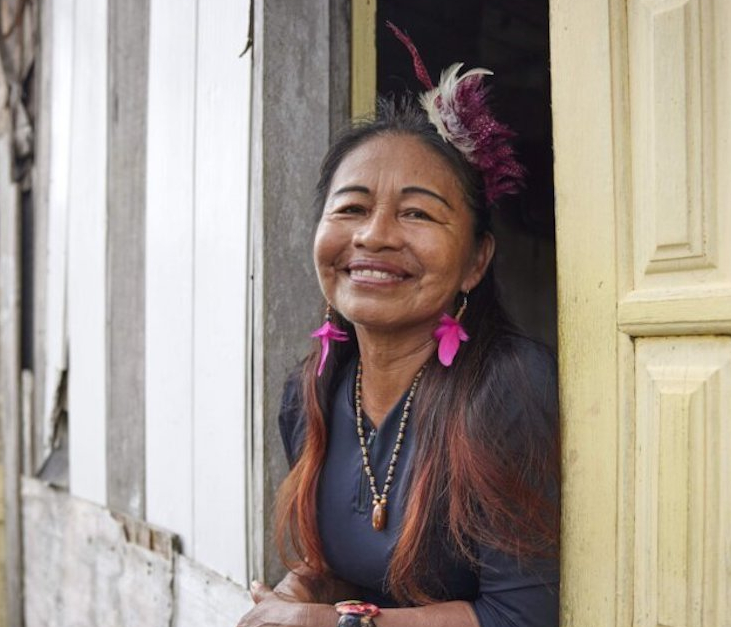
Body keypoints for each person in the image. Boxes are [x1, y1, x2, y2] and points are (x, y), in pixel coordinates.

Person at [238, 24, 559, 627]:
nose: (374, 235)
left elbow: (522, 617)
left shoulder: (509, 388)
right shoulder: (311, 389)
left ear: (475, 261)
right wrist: (303, 588)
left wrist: (326, 623)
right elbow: (362, 572)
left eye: (416, 213)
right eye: (352, 208)